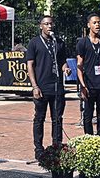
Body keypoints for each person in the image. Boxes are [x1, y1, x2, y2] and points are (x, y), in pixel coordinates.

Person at [26, 16, 71, 161]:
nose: (49, 26)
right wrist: (34, 86)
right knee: (39, 118)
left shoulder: (58, 43)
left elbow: (62, 61)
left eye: (51, 23)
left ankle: (56, 147)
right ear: (41, 26)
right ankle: (38, 148)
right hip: (41, 86)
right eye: (46, 24)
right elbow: (30, 65)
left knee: (57, 119)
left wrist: (66, 68)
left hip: (57, 87)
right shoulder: (34, 42)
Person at [76, 14, 100, 136]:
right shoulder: (83, 43)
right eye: (94, 22)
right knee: (88, 114)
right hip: (89, 84)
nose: (97, 25)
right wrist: (83, 86)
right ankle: (89, 138)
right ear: (89, 25)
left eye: (99, 22)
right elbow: (79, 65)